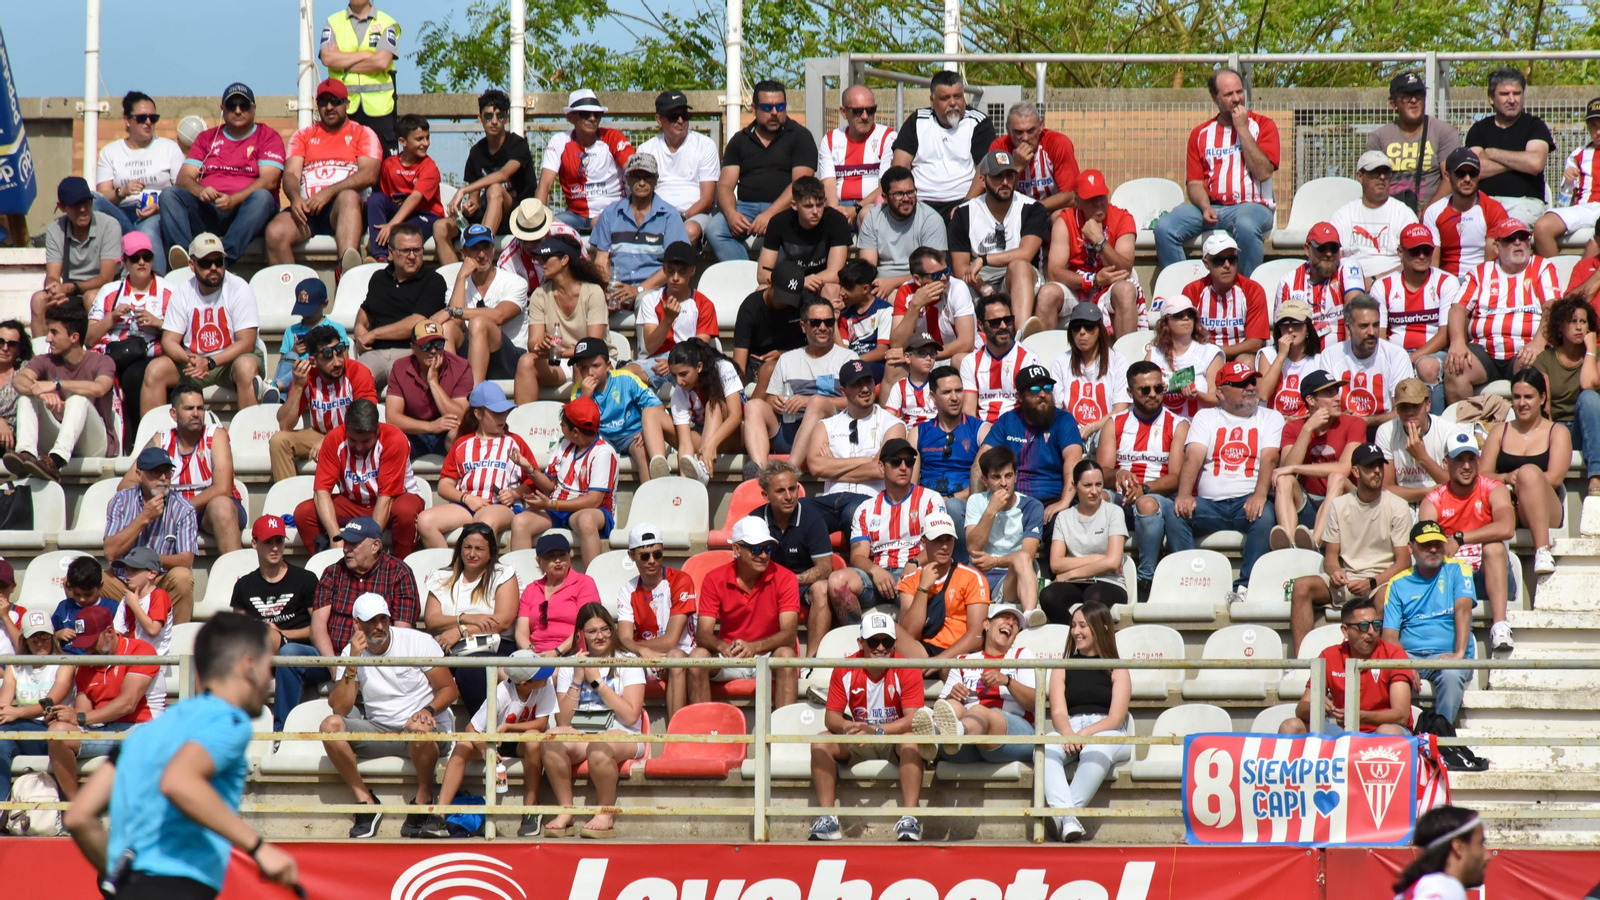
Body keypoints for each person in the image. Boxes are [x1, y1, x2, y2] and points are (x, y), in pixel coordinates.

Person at [64, 613, 300, 900]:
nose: (269, 679)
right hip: (181, 888)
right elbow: (178, 781)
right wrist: (258, 848)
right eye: (268, 666)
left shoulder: (147, 732)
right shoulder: (229, 721)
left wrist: (125, 881)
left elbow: (78, 816)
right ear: (248, 665)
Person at [321, 592, 459, 839]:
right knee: (329, 726)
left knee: (419, 729)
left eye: (383, 618)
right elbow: (339, 708)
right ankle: (366, 802)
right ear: (356, 624)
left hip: (425, 728)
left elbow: (450, 689)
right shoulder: (351, 652)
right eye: (372, 620)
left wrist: (427, 710)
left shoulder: (417, 641)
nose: (380, 626)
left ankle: (424, 798)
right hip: (380, 729)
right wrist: (352, 663)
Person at [808, 610, 930, 844]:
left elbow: (913, 719)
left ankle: (910, 819)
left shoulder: (908, 667)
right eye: (874, 641)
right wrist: (847, 728)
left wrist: (877, 731)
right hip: (859, 738)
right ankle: (828, 819)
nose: (881, 647)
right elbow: (831, 718)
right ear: (860, 642)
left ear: (895, 643)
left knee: (911, 741)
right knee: (820, 741)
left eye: (887, 641)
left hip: (891, 738)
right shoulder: (845, 667)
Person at [1285, 443, 1413, 649]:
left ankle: (1375, 664)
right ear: (1355, 471)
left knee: (1386, 596)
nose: (1378, 471)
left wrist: (1371, 583)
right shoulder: (1339, 505)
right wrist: (1335, 572)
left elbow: (1404, 562)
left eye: (1380, 465)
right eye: (1370, 466)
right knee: (1301, 586)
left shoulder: (1398, 506)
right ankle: (1304, 663)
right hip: (1348, 578)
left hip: (1380, 581)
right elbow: (1331, 557)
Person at [1172, 360, 1285, 591]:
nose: (1251, 387)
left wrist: (1260, 495)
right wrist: (1183, 494)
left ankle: (1245, 587)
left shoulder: (1271, 417)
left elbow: (1269, 459)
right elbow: (1193, 457)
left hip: (1248, 501)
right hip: (1210, 506)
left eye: (1252, 381)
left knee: (1265, 516)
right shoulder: (1206, 417)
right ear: (1220, 393)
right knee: (1174, 513)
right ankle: (1189, 582)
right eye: (1241, 383)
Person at [1155, 68, 1279, 276]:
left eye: (1239, 92)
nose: (1237, 99)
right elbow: (1194, 183)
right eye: (1228, 94)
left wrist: (1242, 129)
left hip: (1253, 207)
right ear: (1215, 98)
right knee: (1164, 228)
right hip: (1212, 206)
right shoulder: (1200, 134)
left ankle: (1247, 291)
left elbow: (1264, 172)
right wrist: (1204, 207)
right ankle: (1185, 291)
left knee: (1246, 225)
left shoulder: (1264, 126)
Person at [420, 649, 554, 839]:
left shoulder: (544, 686)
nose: (547, 677)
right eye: (540, 675)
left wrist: (508, 727)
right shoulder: (500, 693)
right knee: (463, 745)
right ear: (525, 683)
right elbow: (471, 729)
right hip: (494, 741)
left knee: (533, 738)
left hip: (520, 740)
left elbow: (541, 724)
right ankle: (439, 816)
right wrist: (485, 750)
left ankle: (531, 808)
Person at [541, 602, 648, 839]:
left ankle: (605, 812)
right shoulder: (571, 665)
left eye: (605, 629)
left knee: (600, 747)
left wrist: (597, 683)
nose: (600, 636)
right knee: (551, 739)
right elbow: (563, 718)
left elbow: (631, 715)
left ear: (613, 629)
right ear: (581, 635)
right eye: (592, 631)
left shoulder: (628, 661)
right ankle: (566, 811)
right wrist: (578, 678)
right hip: (583, 732)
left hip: (624, 733)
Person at [160, 83, 283, 269]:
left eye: (244, 105)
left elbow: (270, 180)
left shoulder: (268, 137)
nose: (238, 110)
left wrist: (234, 199)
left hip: (246, 212)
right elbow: (184, 177)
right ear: (222, 109)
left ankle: (221, 260)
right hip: (210, 208)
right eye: (232, 105)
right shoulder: (206, 138)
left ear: (254, 108)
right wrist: (200, 191)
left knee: (263, 198)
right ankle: (187, 264)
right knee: (170, 195)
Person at [266, 78, 381, 271]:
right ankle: (294, 293)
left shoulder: (363, 133)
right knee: (274, 233)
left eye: (335, 101)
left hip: (343, 209)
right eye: (323, 102)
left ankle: (346, 276)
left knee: (349, 196)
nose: (329, 107)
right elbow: (291, 174)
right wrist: (295, 198)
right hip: (308, 209)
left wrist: (328, 193)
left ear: (347, 104)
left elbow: (369, 174)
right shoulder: (303, 135)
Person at [826, 437, 944, 623]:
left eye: (909, 462)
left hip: (917, 572)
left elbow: (939, 546)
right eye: (896, 462)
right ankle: (857, 640)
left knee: (909, 600)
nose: (904, 467)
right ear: (881, 467)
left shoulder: (931, 500)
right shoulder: (865, 508)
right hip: (880, 576)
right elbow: (858, 556)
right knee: (836, 582)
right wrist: (875, 570)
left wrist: (913, 563)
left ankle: (906, 650)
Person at [46, 606, 158, 801]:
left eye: (91, 642)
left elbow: (127, 704)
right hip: (106, 729)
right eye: (83, 643)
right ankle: (76, 808)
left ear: (109, 632)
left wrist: (79, 717)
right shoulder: (87, 663)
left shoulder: (140, 650)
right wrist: (65, 715)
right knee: (56, 731)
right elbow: (83, 711)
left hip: (143, 727)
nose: (87, 649)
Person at [150, 232, 267, 419]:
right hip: (194, 362)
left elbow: (247, 342)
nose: (214, 268)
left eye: (218, 262)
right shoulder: (182, 292)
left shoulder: (239, 288)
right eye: (206, 263)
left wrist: (211, 362)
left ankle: (248, 436)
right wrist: (188, 358)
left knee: (246, 367)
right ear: (192, 265)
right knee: (155, 370)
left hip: (230, 361)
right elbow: (169, 341)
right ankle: (154, 441)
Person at [1042, 599, 1131, 842]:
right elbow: (1058, 712)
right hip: (1070, 726)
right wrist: (1070, 733)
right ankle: (1069, 820)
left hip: (1107, 730)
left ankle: (1061, 817)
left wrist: (1085, 734)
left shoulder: (1117, 667)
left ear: (1101, 628)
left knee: (1098, 746)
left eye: (1082, 625)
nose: (1076, 632)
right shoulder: (1063, 666)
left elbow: (1116, 717)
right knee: (1045, 745)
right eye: (1073, 626)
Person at [1420, 430, 1516, 654]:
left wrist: (1459, 538)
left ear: (1478, 460)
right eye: (1458, 460)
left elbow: (1507, 528)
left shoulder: (1494, 488)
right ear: (1446, 463)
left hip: (1490, 578)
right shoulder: (1433, 500)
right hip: (1452, 582)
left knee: (1493, 547)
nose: (1466, 466)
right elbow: (1425, 547)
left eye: (1471, 458)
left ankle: (1500, 626)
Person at [1445, 218, 1561, 402]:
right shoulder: (1479, 272)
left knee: (1534, 367)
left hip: (1524, 348)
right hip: (1483, 350)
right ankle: (1464, 427)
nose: (1517, 243)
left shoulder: (1541, 267)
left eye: (1523, 238)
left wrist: (1538, 342)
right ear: (1496, 247)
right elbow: (1457, 309)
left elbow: (1552, 308)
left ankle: (1531, 429)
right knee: (1454, 368)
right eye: (1510, 239)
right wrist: (1458, 342)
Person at [1099, 360, 1189, 595]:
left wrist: (1145, 489)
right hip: (1120, 497)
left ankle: (1145, 577)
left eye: (1158, 389)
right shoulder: (1114, 423)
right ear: (1130, 392)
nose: (1153, 394)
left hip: (1156, 498)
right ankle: (1097, 569)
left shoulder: (1178, 424)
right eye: (1145, 390)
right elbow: (1101, 471)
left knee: (1146, 504)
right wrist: (1118, 474)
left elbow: (1177, 477)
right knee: (1097, 496)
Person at [741, 297, 859, 476]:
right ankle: (760, 472)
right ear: (803, 326)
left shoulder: (847, 358)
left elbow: (858, 402)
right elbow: (771, 397)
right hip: (790, 430)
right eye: (815, 322)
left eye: (828, 322)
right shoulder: (787, 359)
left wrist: (808, 402)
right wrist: (776, 402)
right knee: (753, 405)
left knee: (817, 402)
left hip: (829, 434)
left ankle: (790, 471)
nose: (822, 327)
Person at [416, 383, 542, 550]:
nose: (503, 417)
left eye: (505, 412)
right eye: (496, 413)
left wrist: (514, 494)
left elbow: (534, 481)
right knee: (425, 521)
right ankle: (449, 571)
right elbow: (444, 486)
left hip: (500, 506)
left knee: (484, 523)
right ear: (478, 414)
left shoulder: (515, 441)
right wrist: (467, 498)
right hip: (467, 505)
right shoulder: (461, 444)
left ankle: (490, 574)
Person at [690, 517, 801, 707]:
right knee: (697, 657)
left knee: (786, 656)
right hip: (729, 656)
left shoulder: (786, 578)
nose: (764, 555)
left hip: (768, 655)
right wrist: (723, 647)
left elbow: (790, 635)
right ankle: (703, 730)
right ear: (736, 549)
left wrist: (754, 647)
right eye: (756, 549)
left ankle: (783, 735)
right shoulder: (714, 579)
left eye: (768, 548)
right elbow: (703, 635)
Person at [119, 383, 242, 553]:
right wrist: (154, 500)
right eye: (189, 408)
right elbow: (127, 484)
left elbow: (223, 488)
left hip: (209, 510)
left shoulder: (216, 435)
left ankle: (236, 577)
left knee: (222, 506)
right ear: (174, 414)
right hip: (171, 511)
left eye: (200, 408)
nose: (196, 414)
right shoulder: (161, 439)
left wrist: (179, 510)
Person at [229, 514, 325, 731]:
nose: (274, 548)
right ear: (254, 543)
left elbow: (320, 628)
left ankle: (280, 732)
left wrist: (283, 634)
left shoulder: (305, 579)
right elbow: (238, 632)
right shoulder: (244, 585)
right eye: (268, 542)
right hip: (260, 656)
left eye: (279, 541)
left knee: (287, 650)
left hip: (304, 655)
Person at [295, 399, 427, 557]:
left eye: (365, 441)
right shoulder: (334, 439)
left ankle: (399, 566)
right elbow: (321, 492)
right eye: (353, 440)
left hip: (395, 500)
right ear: (346, 430)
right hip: (354, 502)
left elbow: (386, 499)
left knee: (405, 511)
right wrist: (335, 538)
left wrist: (369, 544)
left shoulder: (394, 439)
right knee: (304, 513)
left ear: (377, 431)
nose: (358, 447)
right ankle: (327, 566)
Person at [1381, 522, 1479, 730]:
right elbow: (1389, 635)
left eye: (1438, 543)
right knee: (1387, 672)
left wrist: (1458, 653)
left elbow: (1463, 610)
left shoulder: (1459, 569)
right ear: (1410, 548)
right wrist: (1405, 664)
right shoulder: (1397, 582)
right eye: (1426, 545)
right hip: (1409, 655)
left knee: (1451, 673)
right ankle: (1401, 734)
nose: (1433, 549)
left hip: (1449, 654)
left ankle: (1440, 737)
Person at [5, 303, 117, 481]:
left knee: (78, 399)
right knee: (27, 398)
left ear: (74, 337)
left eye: (54, 332)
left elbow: (100, 387)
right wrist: (40, 393)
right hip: (57, 436)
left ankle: (55, 462)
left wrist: (57, 384)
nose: (48, 339)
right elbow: (19, 380)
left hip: (93, 442)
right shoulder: (45, 359)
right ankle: (26, 454)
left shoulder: (102, 361)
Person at [708, 79, 818, 262]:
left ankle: (768, 280)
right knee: (715, 230)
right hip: (746, 207)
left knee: (788, 229)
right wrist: (731, 214)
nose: (774, 113)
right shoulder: (739, 140)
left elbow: (800, 185)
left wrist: (770, 215)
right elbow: (725, 186)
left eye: (780, 107)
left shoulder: (800, 136)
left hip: (786, 208)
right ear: (754, 108)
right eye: (767, 108)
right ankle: (748, 279)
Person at [420, 522, 521, 713]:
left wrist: (460, 631)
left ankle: (484, 731)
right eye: (467, 547)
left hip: (493, 647)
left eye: (479, 549)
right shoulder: (442, 576)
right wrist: (465, 619)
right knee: (421, 667)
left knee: (471, 670)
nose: (472, 553)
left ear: (490, 551)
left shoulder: (503, 574)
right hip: (447, 645)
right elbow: (432, 620)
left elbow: (503, 621)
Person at [1281, 596, 1414, 736]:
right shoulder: (1330, 656)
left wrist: (1359, 716)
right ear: (1345, 630)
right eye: (1363, 626)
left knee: (1386, 731)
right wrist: (1315, 707)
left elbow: (1401, 715)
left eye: (1376, 625)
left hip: (1387, 731)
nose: (1371, 632)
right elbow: (1301, 708)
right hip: (1345, 733)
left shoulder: (1394, 654)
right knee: (1290, 727)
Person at [949, 151, 1056, 323]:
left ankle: (1021, 336)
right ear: (983, 180)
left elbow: (1026, 254)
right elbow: (960, 267)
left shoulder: (1033, 208)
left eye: (1009, 175)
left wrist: (983, 259)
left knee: (1019, 265)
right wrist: (984, 288)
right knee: (956, 287)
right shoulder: (964, 213)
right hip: (979, 280)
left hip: (1021, 278)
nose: (1005, 182)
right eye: (998, 176)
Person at [924, 603, 1037, 765]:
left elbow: (1034, 703)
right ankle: (939, 737)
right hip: (971, 745)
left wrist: (1007, 681)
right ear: (986, 624)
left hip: (1012, 734)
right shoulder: (963, 661)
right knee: (952, 705)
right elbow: (942, 707)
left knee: (979, 711)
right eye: (1005, 617)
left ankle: (955, 734)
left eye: (1016, 623)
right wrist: (952, 695)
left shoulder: (1021, 655)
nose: (1011, 623)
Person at [1480, 370, 1568, 577]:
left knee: (1528, 473)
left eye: (1528, 397)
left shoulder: (1557, 432)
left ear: (1542, 398)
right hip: (1508, 504)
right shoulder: (1499, 432)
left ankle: (1543, 551)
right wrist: (1505, 477)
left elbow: (1555, 478)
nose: (1522, 403)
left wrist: (1522, 481)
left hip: (1545, 507)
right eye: (1516, 397)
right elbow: (1482, 475)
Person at [86, 233, 171, 446]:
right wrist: (113, 317)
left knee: (135, 376)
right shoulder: (110, 291)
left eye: (147, 257)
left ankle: (141, 442)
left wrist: (158, 323)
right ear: (124, 261)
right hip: (114, 354)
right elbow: (89, 338)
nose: (142, 262)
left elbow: (184, 334)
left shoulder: (169, 291)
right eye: (135, 258)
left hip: (153, 355)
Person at [803, 359, 906, 534]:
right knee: (797, 510)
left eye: (868, 381)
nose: (865, 389)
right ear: (843, 391)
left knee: (855, 513)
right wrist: (867, 461)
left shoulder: (893, 424)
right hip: (832, 500)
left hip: (871, 501)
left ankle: (857, 561)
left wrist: (833, 467)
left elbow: (881, 470)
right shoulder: (826, 425)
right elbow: (815, 466)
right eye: (857, 384)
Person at [514, 398, 620, 564]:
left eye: (563, 425)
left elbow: (594, 500)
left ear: (576, 432)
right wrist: (529, 469)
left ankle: (595, 581)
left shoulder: (603, 452)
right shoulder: (566, 444)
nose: (561, 428)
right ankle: (522, 583)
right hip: (557, 506)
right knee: (520, 521)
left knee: (586, 520)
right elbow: (551, 485)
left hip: (591, 510)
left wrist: (551, 505)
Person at [1271, 370, 1367, 550]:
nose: (1337, 398)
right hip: (1309, 503)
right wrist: (1307, 429)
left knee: (1336, 478)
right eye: (1329, 394)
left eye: (1336, 392)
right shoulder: (1294, 428)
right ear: (1311, 400)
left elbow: (1344, 469)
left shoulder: (1355, 423)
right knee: (1284, 479)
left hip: (1346, 503)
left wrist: (1294, 469)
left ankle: (1314, 544)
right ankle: (1290, 547)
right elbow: (1288, 466)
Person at [271, 322, 378, 481]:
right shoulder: (307, 377)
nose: (337, 362)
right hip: (318, 434)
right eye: (328, 355)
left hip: (354, 436)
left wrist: (330, 440)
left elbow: (364, 420)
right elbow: (285, 424)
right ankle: (289, 499)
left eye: (339, 351)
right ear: (313, 361)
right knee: (278, 441)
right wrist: (298, 386)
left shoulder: (358, 372)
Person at [101, 447, 197, 624]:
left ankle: (177, 642)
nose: (163, 478)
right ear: (139, 474)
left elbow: (186, 561)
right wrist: (144, 517)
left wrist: (148, 560)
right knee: (85, 581)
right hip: (122, 582)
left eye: (167, 472)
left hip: (160, 581)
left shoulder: (184, 509)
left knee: (182, 577)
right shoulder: (120, 501)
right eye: (155, 472)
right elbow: (110, 552)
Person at [310, 515, 421, 665]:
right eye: (345, 543)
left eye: (353, 543)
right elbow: (318, 627)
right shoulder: (333, 572)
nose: (346, 549)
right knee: (290, 654)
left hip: (379, 660)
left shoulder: (399, 573)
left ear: (375, 546)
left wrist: (369, 665)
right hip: (333, 657)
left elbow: (402, 632)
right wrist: (334, 664)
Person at [354, 223, 452, 391]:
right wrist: (359, 329)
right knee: (355, 381)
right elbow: (366, 310)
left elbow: (417, 323)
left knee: (404, 380)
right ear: (391, 253)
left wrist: (374, 334)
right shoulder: (378, 278)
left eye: (417, 250)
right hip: (374, 353)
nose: (412, 256)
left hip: (411, 351)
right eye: (406, 251)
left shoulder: (433, 281)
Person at [749, 461, 834, 655]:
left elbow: (826, 567)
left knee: (821, 588)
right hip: (763, 583)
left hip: (800, 584)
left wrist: (789, 582)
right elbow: (743, 566)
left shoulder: (812, 519)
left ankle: (812, 662)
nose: (788, 496)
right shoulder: (753, 521)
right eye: (780, 491)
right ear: (765, 495)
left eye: (792, 489)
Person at [979, 363, 1085, 518]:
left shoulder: (1063, 420)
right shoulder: (1007, 421)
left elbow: (1074, 461)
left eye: (1047, 388)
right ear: (1020, 397)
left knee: (1062, 522)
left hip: (1052, 500)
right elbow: (981, 460)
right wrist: (976, 502)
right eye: (1035, 390)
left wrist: (1064, 502)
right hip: (1012, 500)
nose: (1042, 394)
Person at [613, 522, 695, 719]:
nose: (652, 561)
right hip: (645, 656)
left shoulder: (681, 580)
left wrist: (638, 647)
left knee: (674, 657)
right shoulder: (627, 589)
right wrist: (642, 650)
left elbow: (670, 641)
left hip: (682, 653)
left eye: (657, 554)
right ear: (631, 556)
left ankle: (674, 736)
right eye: (644, 555)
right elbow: (624, 639)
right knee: (611, 657)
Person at [1046, 169, 1142, 335]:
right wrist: (1093, 280)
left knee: (1125, 290)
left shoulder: (1122, 217)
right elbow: (1054, 273)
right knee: (1047, 293)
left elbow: (1124, 269)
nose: (1098, 203)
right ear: (1077, 201)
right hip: (1079, 286)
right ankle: (1043, 358)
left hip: (1112, 286)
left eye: (1101, 196)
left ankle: (1126, 358)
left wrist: (1100, 242)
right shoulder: (1065, 220)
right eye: (1091, 199)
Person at [93, 91, 184, 266]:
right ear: (127, 119)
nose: (149, 122)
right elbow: (103, 196)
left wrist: (159, 207)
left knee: (146, 233)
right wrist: (122, 191)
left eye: (153, 118)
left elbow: (181, 191)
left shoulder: (169, 148)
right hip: (122, 211)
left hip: (156, 212)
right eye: (142, 118)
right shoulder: (111, 152)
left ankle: (156, 282)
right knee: (92, 199)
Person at [1533, 296, 1600, 529]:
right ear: (1560, 326)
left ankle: (1596, 477)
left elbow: (1588, 384)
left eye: (1584, 321)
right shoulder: (1545, 360)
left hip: (1588, 430)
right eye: (1573, 321)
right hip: (1557, 431)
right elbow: (1545, 407)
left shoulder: (1597, 356)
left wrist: (1591, 350)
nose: (1580, 326)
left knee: (1589, 398)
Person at [591, 152, 688, 312]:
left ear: (656, 180)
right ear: (627, 179)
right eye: (636, 176)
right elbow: (601, 260)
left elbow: (674, 265)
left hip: (653, 292)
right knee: (592, 299)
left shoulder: (669, 216)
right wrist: (607, 290)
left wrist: (639, 289)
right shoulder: (611, 213)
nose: (642, 182)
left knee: (644, 302)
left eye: (647, 177)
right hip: (616, 288)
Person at [1370, 225, 1460, 398]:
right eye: (1414, 250)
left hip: (1435, 354)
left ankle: (1434, 423)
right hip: (1395, 352)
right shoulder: (1382, 286)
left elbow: (1444, 335)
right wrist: (1398, 357)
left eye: (1427, 250)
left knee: (1426, 366)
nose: (1421, 256)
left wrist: (1411, 359)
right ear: (1400, 252)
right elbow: (1379, 335)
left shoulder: (1447, 282)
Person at [893, 511, 990, 669]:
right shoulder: (911, 579)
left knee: (949, 671)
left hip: (957, 654)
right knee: (887, 627)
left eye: (949, 539)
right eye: (937, 540)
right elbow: (910, 633)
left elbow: (977, 635)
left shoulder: (973, 577)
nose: (944, 546)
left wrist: (941, 661)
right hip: (921, 652)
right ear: (923, 543)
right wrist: (923, 588)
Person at [890, 71, 996, 217]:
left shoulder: (979, 123)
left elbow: (984, 170)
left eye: (957, 96)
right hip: (920, 202)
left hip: (963, 200)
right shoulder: (917, 121)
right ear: (932, 101)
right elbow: (899, 167)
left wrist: (966, 206)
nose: (953, 103)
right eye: (945, 98)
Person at [513, 234, 608, 396]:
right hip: (558, 362)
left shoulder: (593, 292)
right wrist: (542, 347)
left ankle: (580, 419)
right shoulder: (539, 294)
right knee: (526, 362)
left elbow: (594, 345)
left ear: (564, 260)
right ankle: (524, 421)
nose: (541, 262)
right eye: (541, 257)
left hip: (592, 361)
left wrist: (558, 353)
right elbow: (533, 343)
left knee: (581, 363)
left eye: (547, 257)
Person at [570, 337, 673, 481]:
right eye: (583, 367)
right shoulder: (578, 392)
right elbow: (578, 428)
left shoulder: (625, 379)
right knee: (587, 453)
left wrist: (647, 431)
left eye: (595, 365)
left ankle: (650, 496)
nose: (590, 372)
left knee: (643, 451)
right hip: (601, 437)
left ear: (607, 366)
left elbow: (656, 405)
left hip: (632, 434)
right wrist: (586, 399)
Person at [964, 446, 1046, 624]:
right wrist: (991, 511)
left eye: (1008, 476)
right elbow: (973, 547)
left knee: (1023, 558)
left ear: (1016, 475)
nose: (1003, 483)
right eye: (996, 477)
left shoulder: (1032, 506)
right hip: (979, 577)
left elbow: (1029, 554)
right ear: (985, 481)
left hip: (1011, 577)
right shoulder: (976, 501)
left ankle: (1030, 616)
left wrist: (995, 561)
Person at [31, 176, 121, 336]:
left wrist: (72, 287)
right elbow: (52, 274)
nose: (83, 209)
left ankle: (97, 352)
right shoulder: (56, 228)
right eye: (76, 204)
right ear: (62, 207)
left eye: (87, 202)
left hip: (101, 290)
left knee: (91, 297)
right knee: (39, 300)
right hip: (69, 292)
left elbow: (107, 277)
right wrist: (53, 288)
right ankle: (40, 356)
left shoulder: (109, 225)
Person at [0, 612, 74, 804]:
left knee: (3, 732)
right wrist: (10, 712)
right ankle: (2, 806)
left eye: (45, 637)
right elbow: (4, 703)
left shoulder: (65, 663)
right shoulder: (15, 667)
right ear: (25, 639)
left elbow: (50, 703)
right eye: (34, 637)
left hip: (51, 728)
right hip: (21, 729)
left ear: (52, 637)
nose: (40, 642)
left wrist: (17, 712)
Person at [1464, 68, 1554, 225]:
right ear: (1491, 98)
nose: (1512, 100)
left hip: (1525, 204)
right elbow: (1474, 171)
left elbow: (1535, 163)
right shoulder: (1479, 130)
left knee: (1510, 231)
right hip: (1483, 203)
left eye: (1517, 93)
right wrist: (1519, 162)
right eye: (1505, 94)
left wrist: (1492, 153)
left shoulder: (1535, 126)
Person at [537, 88, 636, 231]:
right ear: (570, 117)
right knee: (547, 228)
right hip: (574, 215)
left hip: (611, 210)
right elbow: (544, 184)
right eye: (585, 114)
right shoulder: (559, 141)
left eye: (597, 114)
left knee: (599, 223)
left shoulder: (612, 137)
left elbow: (633, 169)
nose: (592, 118)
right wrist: (539, 219)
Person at [1041, 458, 1129, 616]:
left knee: (1094, 600)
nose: (1094, 491)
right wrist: (1098, 558)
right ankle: (1072, 637)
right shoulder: (1064, 517)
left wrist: (1070, 573)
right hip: (1074, 584)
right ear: (1074, 486)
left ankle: (1091, 639)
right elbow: (1056, 564)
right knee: (1048, 596)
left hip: (1108, 581)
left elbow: (1113, 562)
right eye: (1087, 485)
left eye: (1099, 484)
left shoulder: (1114, 512)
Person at [911, 364, 984, 557]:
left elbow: (986, 484)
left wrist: (946, 500)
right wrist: (932, 502)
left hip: (966, 507)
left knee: (951, 507)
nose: (954, 397)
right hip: (928, 507)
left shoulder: (981, 430)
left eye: (958, 390)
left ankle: (961, 567)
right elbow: (909, 484)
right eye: (946, 392)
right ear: (932, 398)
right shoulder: (918, 432)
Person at [447, 221, 531, 383]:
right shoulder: (456, 287)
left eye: (486, 247)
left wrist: (453, 311)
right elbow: (455, 323)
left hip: (510, 358)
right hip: (474, 355)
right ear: (463, 253)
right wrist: (461, 276)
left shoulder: (515, 282)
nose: (481, 254)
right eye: (475, 248)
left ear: (493, 249)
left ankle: (472, 393)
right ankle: (452, 386)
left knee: (479, 322)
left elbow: (499, 316)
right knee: (447, 327)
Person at [1315, 293, 1413, 429]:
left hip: (1385, 430)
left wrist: (1365, 421)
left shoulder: (1396, 356)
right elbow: (1323, 408)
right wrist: (1344, 418)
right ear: (1349, 328)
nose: (1372, 332)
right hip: (1342, 428)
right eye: (1364, 326)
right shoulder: (1330, 355)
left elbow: (1403, 412)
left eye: (1376, 325)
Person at [1366, 72, 1460, 210]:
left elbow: (1451, 178)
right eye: (1406, 96)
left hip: (1432, 207)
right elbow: (1370, 181)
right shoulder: (1379, 137)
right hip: (1390, 208)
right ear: (1394, 104)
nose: (1414, 100)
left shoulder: (1444, 133)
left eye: (1419, 94)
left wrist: (1429, 210)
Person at [447, 90, 535, 237]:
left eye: (500, 116)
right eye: (488, 116)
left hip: (519, 215)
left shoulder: (518, 145)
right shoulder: (476, 152)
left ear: (506, 118)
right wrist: (470, 206)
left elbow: (503, 174)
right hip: (489, 212)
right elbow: (474, 200)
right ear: (480, 118)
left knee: (494, 189)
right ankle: (468, 253)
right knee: (440, 228)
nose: (494, 121)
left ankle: (481, 248)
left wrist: (463, 190)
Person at [636, 90, 719, 243]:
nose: (681, 121)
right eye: (674, 116)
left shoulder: (705, 145)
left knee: (689, 231)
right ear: (659, 120)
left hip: (693, 216)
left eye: (685, 115)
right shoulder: (646, 149)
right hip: (656, 215)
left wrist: (681, 217)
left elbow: (707, 199)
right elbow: (641, 195)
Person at [319, 0, 402, 154]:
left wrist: (342, 59)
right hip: (343, 108)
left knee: (383, 169)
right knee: (344, 164)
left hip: (380, 109)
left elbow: (382, 62)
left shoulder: (386, 22)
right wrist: (366, 55)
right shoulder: (333, 22)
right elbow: (328, 59)